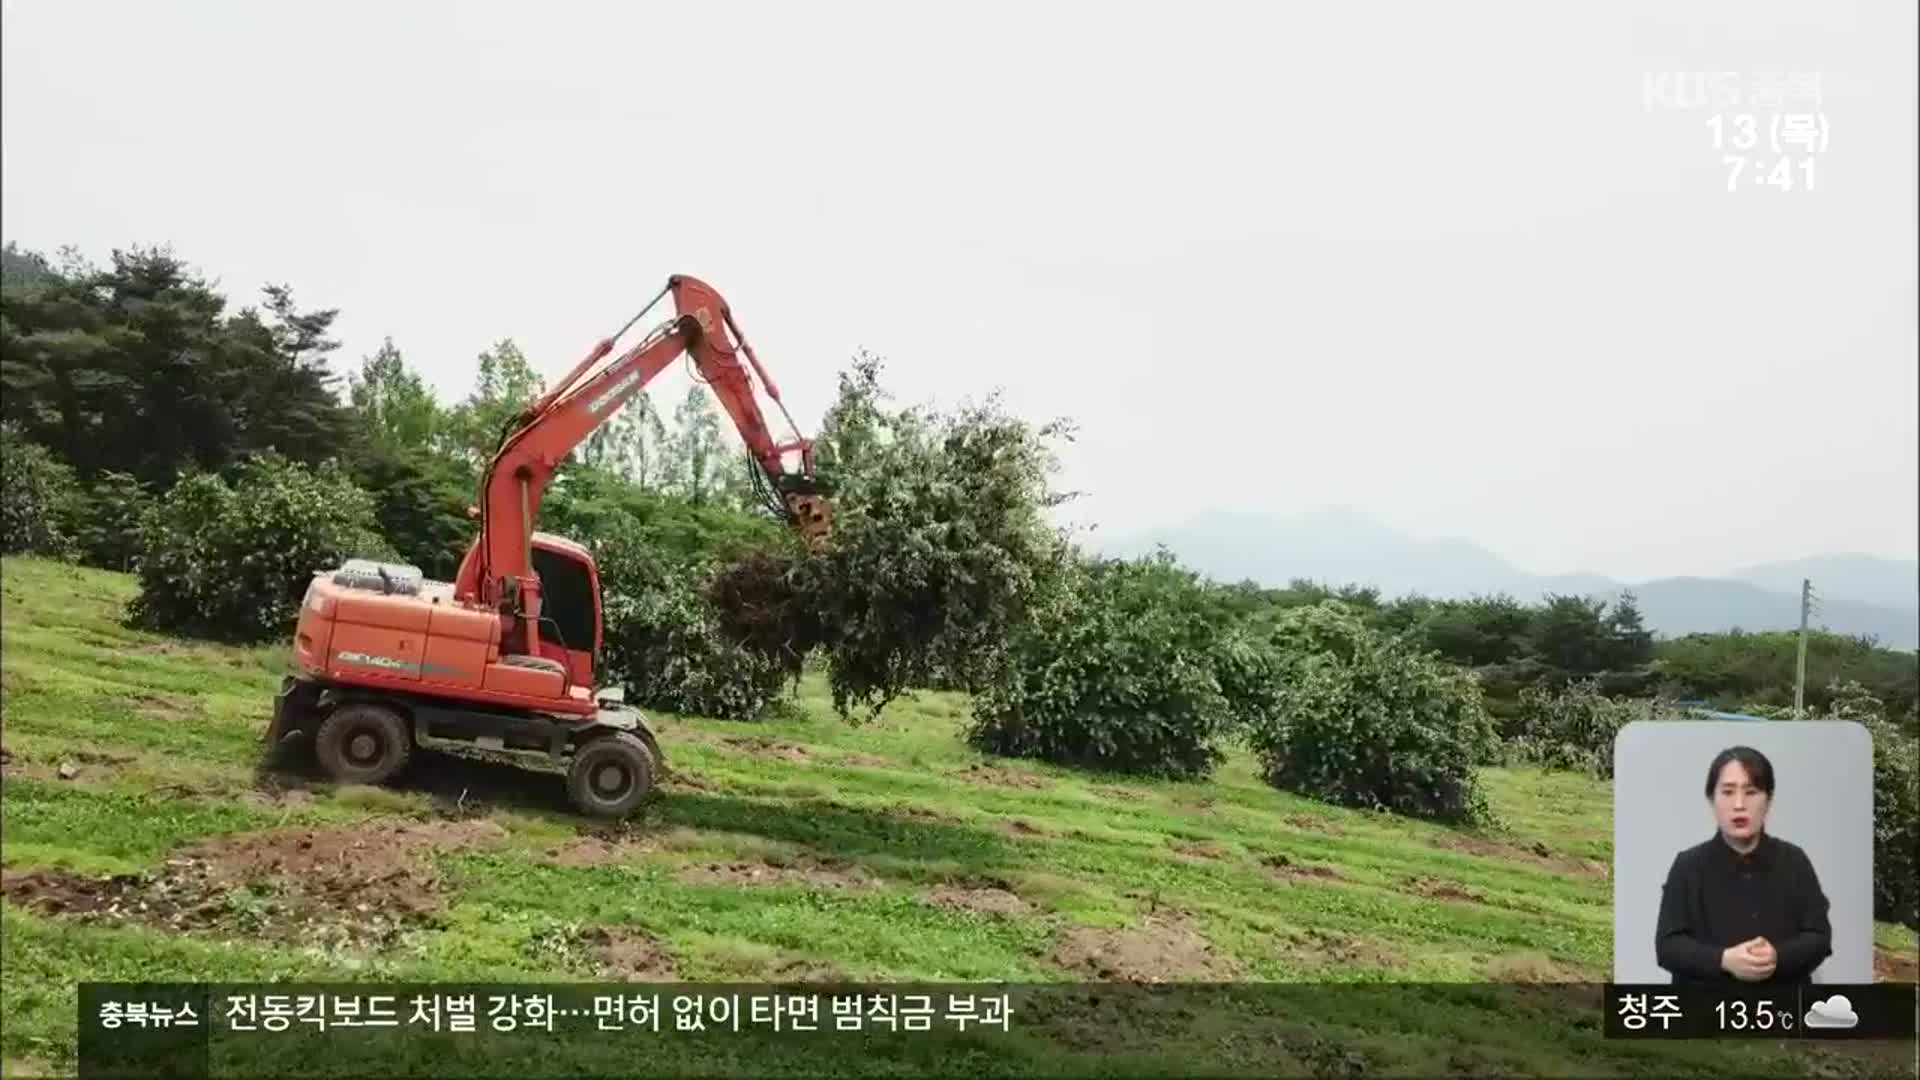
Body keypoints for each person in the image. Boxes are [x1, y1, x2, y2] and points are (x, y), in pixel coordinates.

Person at [1653, 745, 1833, 985]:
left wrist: (1777, 957)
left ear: (1768, 800)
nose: (1739, 804)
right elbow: (1668, 947)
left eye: (1751, 792)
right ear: (1711, 799)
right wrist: (1724, 960)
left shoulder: (1794, 861)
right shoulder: (1688, 866)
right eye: (1727, 792)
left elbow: (1819, 938)